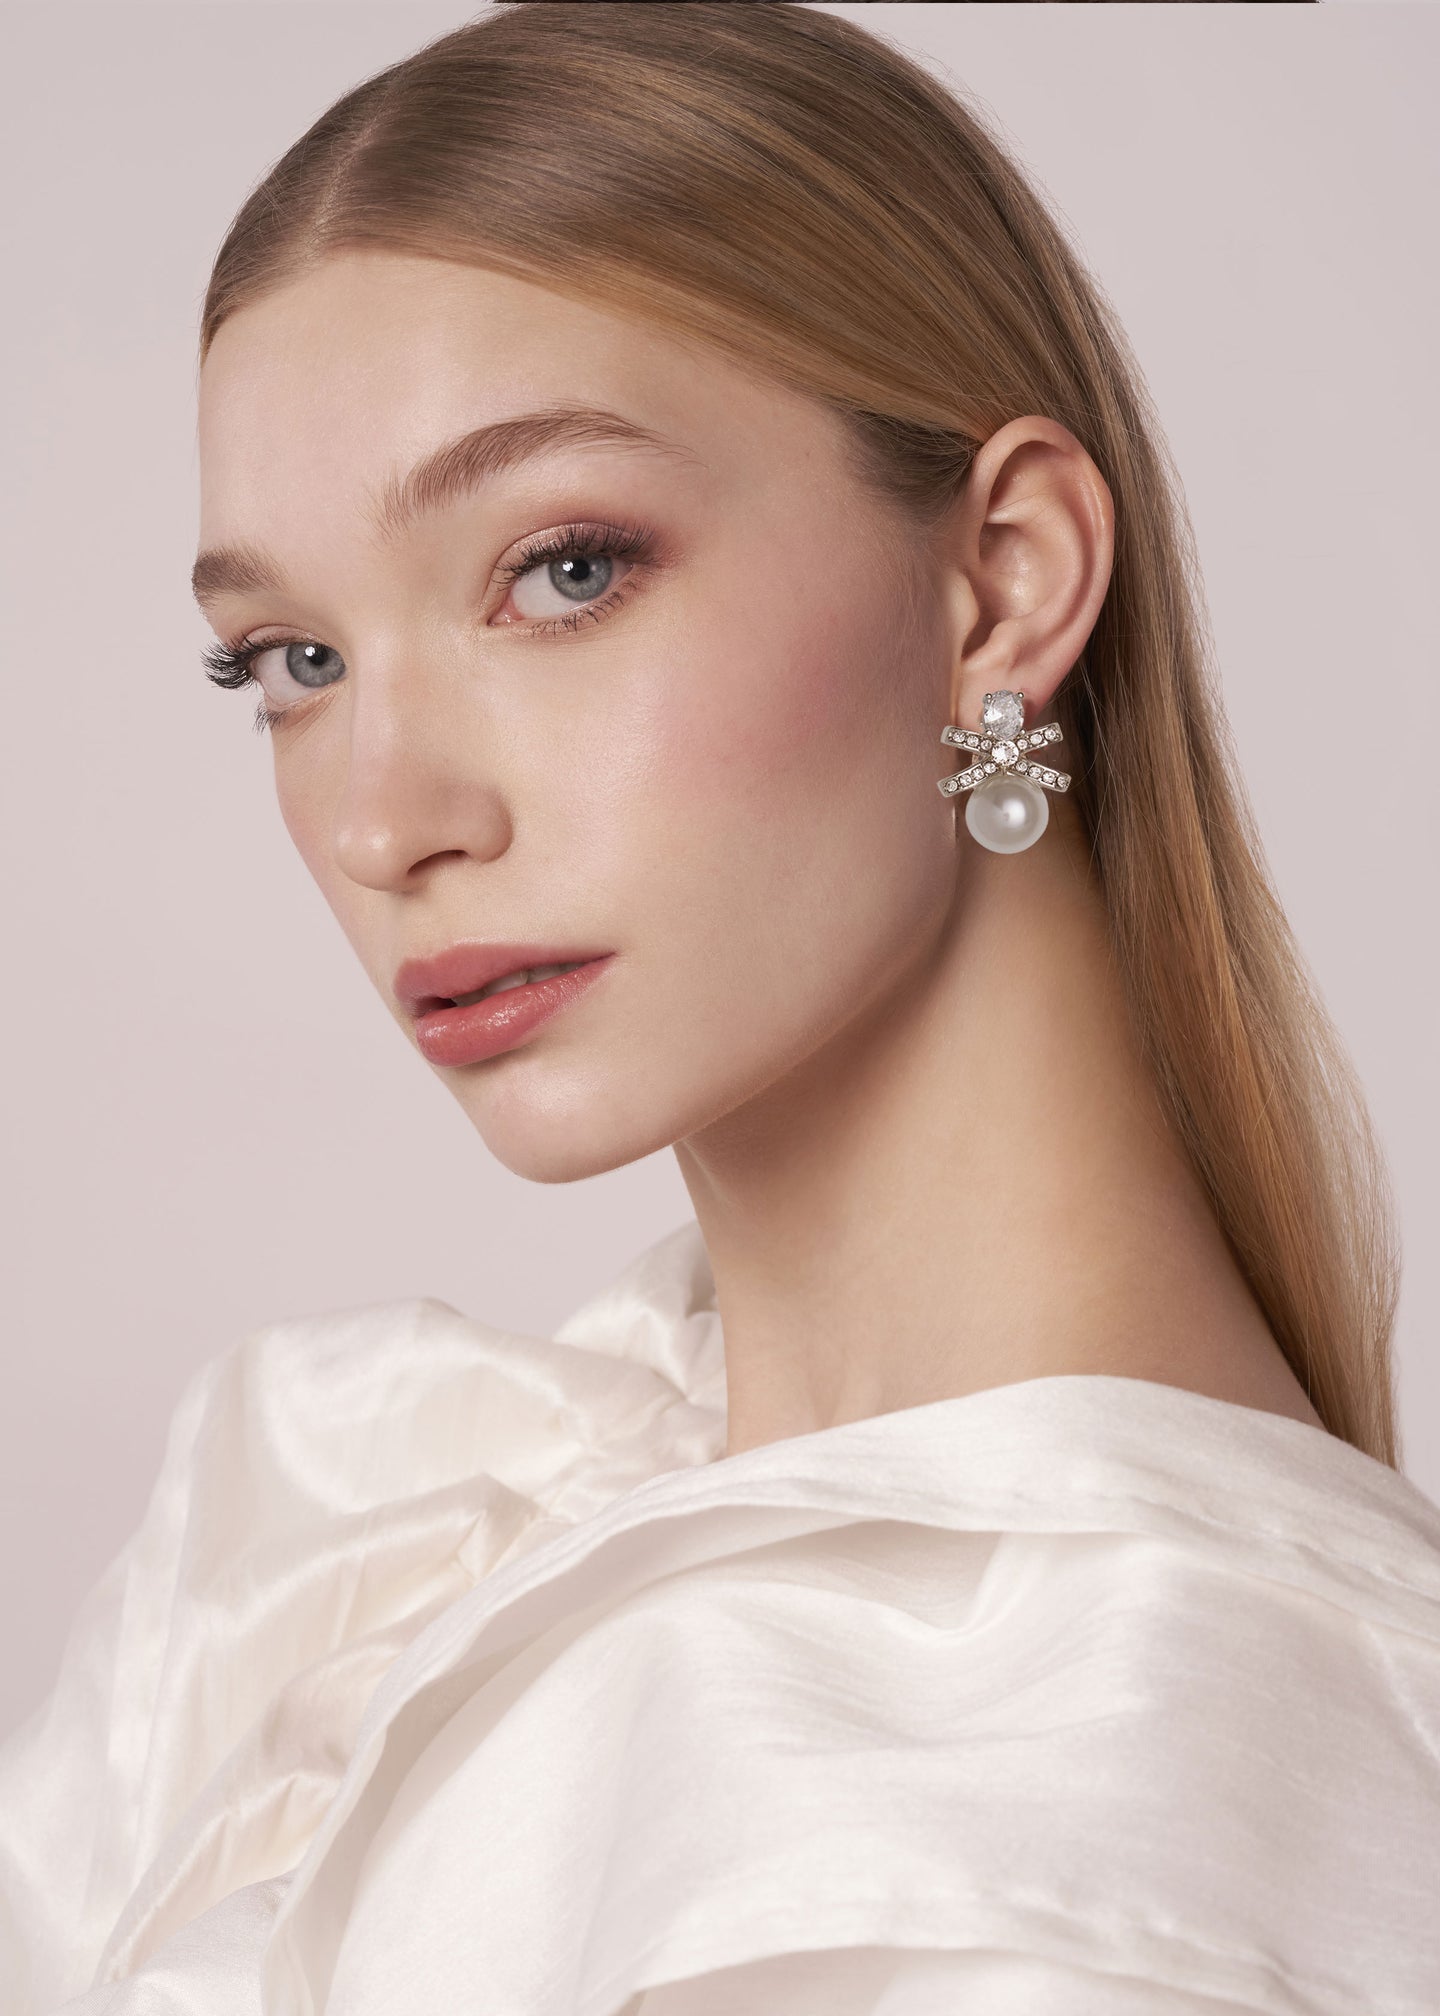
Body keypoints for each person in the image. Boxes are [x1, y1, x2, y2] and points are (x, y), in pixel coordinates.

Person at [3, 4, 1438, 2011]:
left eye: (565, 569)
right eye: (292, 660)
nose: (388, 818)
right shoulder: (358, 1528)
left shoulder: (1111, 1832)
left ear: (1003, 586)